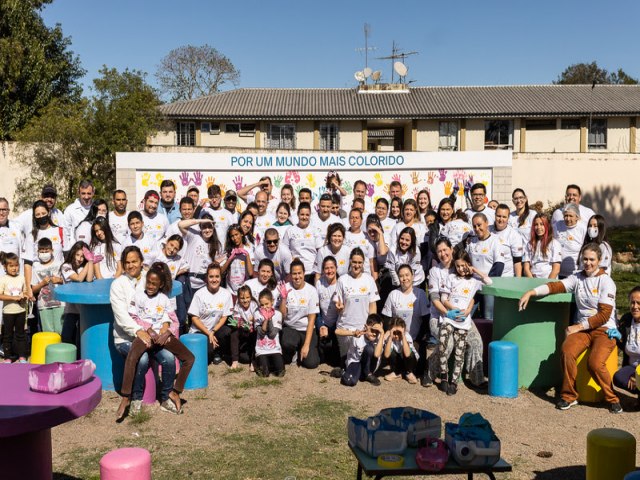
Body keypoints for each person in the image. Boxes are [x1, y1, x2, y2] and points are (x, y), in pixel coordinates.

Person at [518, 243, 622, 413]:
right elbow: (555, 286)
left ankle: (612, 398)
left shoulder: (606, 281)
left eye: (592, 260)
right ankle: (569, 396)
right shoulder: (577, 278)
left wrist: (577, 326)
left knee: (595, 363)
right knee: (567, 351)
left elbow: (604, 315)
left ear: (600, 260)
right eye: (585, 259)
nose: (588, 263)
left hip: (604, 329)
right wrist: (531, 292)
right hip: (583, 330)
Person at [117, 262, 194, 418]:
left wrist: (167, 333)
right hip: (146, 335)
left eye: (154, 284)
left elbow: (175, 321)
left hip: (162, 336)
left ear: (160, 285)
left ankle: (174, 392)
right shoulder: (138, 297)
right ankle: (126, 396)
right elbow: (133, 316)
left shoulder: (164, 299)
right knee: (133, 356)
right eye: (149, 282)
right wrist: (149, 329)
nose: (150, 286)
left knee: (189, 358)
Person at [111, 247, 173, 417]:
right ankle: (135, 398)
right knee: (143, 358)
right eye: (127, 262)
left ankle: (166, 396)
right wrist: (138, 330)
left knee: (168, 358)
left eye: (134, 261)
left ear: (141, 261)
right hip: (126, 337)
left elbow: (162, 303)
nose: (131, 265)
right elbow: (121, 316)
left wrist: (166, 323)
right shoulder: (118, 285)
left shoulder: (150, 278)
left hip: (152, 335)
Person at [425, 238, 486, 388]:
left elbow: (474, 293)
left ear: (451, 249)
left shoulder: (461, 265)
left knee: (476, 341)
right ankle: (430, 371)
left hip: (462, 317)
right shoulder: (435, 272)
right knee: (449, 343)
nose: (443, 254)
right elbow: (434, 298)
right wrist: (447, 312)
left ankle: (476, 378)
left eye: (445, 249)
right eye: (439, 251)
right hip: (439, 317)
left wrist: (468, 311)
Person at [436, 249, 493, 395]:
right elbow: (443, 299)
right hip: (449, 317)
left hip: (463, 320)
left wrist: (474, 270)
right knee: (443, 342)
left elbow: (489, 281)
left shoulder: (474, 281)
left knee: (460, 351)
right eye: (458, 266)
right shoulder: (451, 278)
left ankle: (454, 382)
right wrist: (451, 309)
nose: (460, 269)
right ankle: (444, 375)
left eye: (463, 265)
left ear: (468, 264)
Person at [333, 248, 379, 371]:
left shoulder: (369, 280)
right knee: (346, 366)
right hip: (345, 328)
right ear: (350, 262)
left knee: (363, 362)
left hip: (362, 328)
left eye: (359, 262)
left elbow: (372, 305)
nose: (357, 265)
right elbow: (338, 304)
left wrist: (371, 325)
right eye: (354, 262)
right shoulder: (342, 280)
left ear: (363, 263)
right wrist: (338, 307)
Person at [278, 259, 320, 369]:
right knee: (287, 343)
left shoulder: (311, 290)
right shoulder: (286, 288)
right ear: (291, 275)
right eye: (294, 273)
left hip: (306, 329)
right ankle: (293, 351)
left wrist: (306, 345)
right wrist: (283, 299)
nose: (297, 277)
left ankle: (303, 347)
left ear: (304, 273)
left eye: (299, 273)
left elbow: (311, 320)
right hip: (291, 328)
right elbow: (282, 315)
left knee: (311, 363)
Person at [188, 262, 234, 364]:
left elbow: (224, 317)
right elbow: (194, 318)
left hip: (215, 330)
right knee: (206, 358)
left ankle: (218, 352)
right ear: (206, 278)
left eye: (217, 276)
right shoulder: (199, 294)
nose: (214, 280)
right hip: (200, 331)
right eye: (211, 277)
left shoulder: (226, 294)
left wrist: (213, 331)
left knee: (227, 331)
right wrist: (208, 333)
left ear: (221, 278)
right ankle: (211, 351)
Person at [382, 264, 429, 355]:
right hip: (397, 339)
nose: (404, 278)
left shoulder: (420, 294)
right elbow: (387, 320)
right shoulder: (393, 294)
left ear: (412, 276)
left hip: (415, 339)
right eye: (401, 276)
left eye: (407, 275)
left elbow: (426, 320)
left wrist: (417, 340)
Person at [466, 213, 504, 320]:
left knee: (488, 317)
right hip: (473, 286)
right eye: (474, 226)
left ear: (486, 223)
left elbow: (499, 265)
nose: (477, 229)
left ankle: (488, 337)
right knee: (468, 315)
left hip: (488, 286)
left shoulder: (495, 241)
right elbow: (466, 260)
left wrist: (488, 281)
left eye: (479, 225)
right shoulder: (471, 241)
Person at [178, 217, 224, 303]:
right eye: (204, 227)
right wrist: (202, 220)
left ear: (213, 228)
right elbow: (180, 225)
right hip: (188, 281)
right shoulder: (194, 236)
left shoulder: (217, 245)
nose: (207, 230)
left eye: (209, 227)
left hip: (203, 284)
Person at [60, 241, 94, 344]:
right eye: (77, 255)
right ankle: (67, 360)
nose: (79, 259)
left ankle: (80, 359)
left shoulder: (84, 266)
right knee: (67, 337)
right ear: (73, 253)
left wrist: (90, 261)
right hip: (70, 308)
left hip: (83, 309)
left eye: (83, 256)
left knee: (80, 340)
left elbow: (88, 279)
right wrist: (89, 263)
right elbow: (79, 278)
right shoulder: (66, 266)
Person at [611, 286, 640, 408]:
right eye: (632, 302)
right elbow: (625, 345)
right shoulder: (627, 319)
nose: (635, 306)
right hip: (632, 365)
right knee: (618, 377)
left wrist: (637, 375)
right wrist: (617, 337)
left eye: (639, 303)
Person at [338, 313, 384, 387]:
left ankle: (368, 374)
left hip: (370, 365)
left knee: (369, 348)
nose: (375, 334)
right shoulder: (358, 333)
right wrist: (352, 333)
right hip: (356, 362)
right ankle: (343, 372)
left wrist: (382, 334)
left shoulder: (380, 338)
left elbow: (377, 354)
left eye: (377, 331)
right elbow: (337, 331)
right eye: (372, 330)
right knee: (350, 381)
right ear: (366, 326)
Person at [30, 238, 64, 335]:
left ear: (52, 251)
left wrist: (59, 280)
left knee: (60, 330)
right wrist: (42, 283)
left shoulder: (59, 264)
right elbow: (33, 289)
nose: (44, 253)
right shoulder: (36, 267)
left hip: (60, 304)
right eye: (42, 251)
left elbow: (67, 282)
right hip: (43, 305)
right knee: (48, 332)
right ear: (38, 252)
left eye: (46, 251)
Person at [0, 253, 29, 363]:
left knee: (21, 334)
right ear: (5, 267)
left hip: (21, 311)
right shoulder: (3, 279)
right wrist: (13, 298)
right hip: (8, 312)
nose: (14, 268)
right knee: (7, 335)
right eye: (11, 266)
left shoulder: (22, 278)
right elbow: (0, 295)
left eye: (16, 265)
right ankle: (7, 357)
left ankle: (22, 356)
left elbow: (25, 291)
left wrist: (25, 296)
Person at [281, 202, 319, 282]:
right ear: (298, 214)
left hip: (311, 272)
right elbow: (284, 251)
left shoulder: (315, 231)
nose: (304, 217)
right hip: (296, 273)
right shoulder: (290, 230)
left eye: (307, 215)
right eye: (302, 214)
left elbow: (320, 252)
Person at [315, 256, 340, 367]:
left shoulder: (341, 283)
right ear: (323, 270)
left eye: (332, 267)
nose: (329, 271)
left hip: (338, 324)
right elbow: (316, 308)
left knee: (335, 360)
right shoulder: (319, 283)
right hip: (324, 323)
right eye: (326, 268)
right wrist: (321, 325)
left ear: (336, 268)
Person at [254, 288, 285, 377]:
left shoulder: (278, 314)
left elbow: (272, 335)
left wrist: (270, 319)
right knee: (264, 374)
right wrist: (265, 320)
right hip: (262, 350)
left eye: (267, 304)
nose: (264, 307)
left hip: (275, 349)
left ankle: (271, 363)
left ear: (272, 302)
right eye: (262, 305)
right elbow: (261, 333)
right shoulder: (257, 313)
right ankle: (261, 363)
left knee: (280, 373)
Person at [228, 285, 258, 369]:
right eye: (242, 298)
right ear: (238, 298)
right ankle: (235, 360)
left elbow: (257, 318)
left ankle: (253, 360)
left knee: (255, 335)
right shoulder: (237, 306)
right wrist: (240, 323)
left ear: (250, 297)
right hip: (243, 329)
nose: (245, 300)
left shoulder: (254, 305)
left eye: (247, 297)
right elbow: (237, 319)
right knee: (234, 333)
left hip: (252, 329)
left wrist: (252, 323)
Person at [523, 213, 561, 279]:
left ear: (547, 226)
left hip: (548, 281)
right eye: (536, 224)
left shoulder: (554, 243)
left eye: (542, 224)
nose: (538, 227)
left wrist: (546, 285)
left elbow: (556, 269)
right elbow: (526, 268)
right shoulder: (530, 244)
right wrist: (531, 281)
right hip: (533, 280)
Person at [554, 203, 587, 278]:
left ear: (577, 217)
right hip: (557, 272)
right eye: (566, 216)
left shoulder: (583, 229)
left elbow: (586, 250)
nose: (568, 219)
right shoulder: (557, 225)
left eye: (571, 216)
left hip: (575, 273)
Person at [490, 204, 524, 277]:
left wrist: (518, 281)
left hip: (506, 277)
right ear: (495, 215)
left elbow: (517, 261)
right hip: (487, 275)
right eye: (498, 216)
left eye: (504, 217)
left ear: (508, 218)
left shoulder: (514, 235)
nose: (501, 219)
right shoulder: (487, 230)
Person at [383, 317, 419, 384]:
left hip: (410, 362)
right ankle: (397, 372)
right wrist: (390, 337)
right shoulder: (391, 337)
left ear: (403, 330)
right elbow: (386, 355)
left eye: (398, 332)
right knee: (391, 352)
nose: (396, 335)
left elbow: (407, 354)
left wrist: (402, 335)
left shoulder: (407, 336)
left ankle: (409, 372)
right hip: (399, 361)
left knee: (410, 354)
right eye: (394, 332)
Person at [221, 224, 254, 297]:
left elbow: (251, 273)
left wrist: (247, 255)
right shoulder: (228, 250)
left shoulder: (249, 250)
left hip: (244, 290)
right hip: (230, 291)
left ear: (241, 234)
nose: (235, 238)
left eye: (236, 234)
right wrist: (230, 258)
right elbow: (221, 271)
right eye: (232, 236)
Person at [63, 180, 95, 250]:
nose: (86, 197)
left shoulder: (97, 208)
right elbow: (65, 233)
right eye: (83, 193)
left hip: (94, 251)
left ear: (93, 193)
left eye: (89, 193)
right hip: (76, 252)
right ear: (78, 193)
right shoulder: (70, 210)